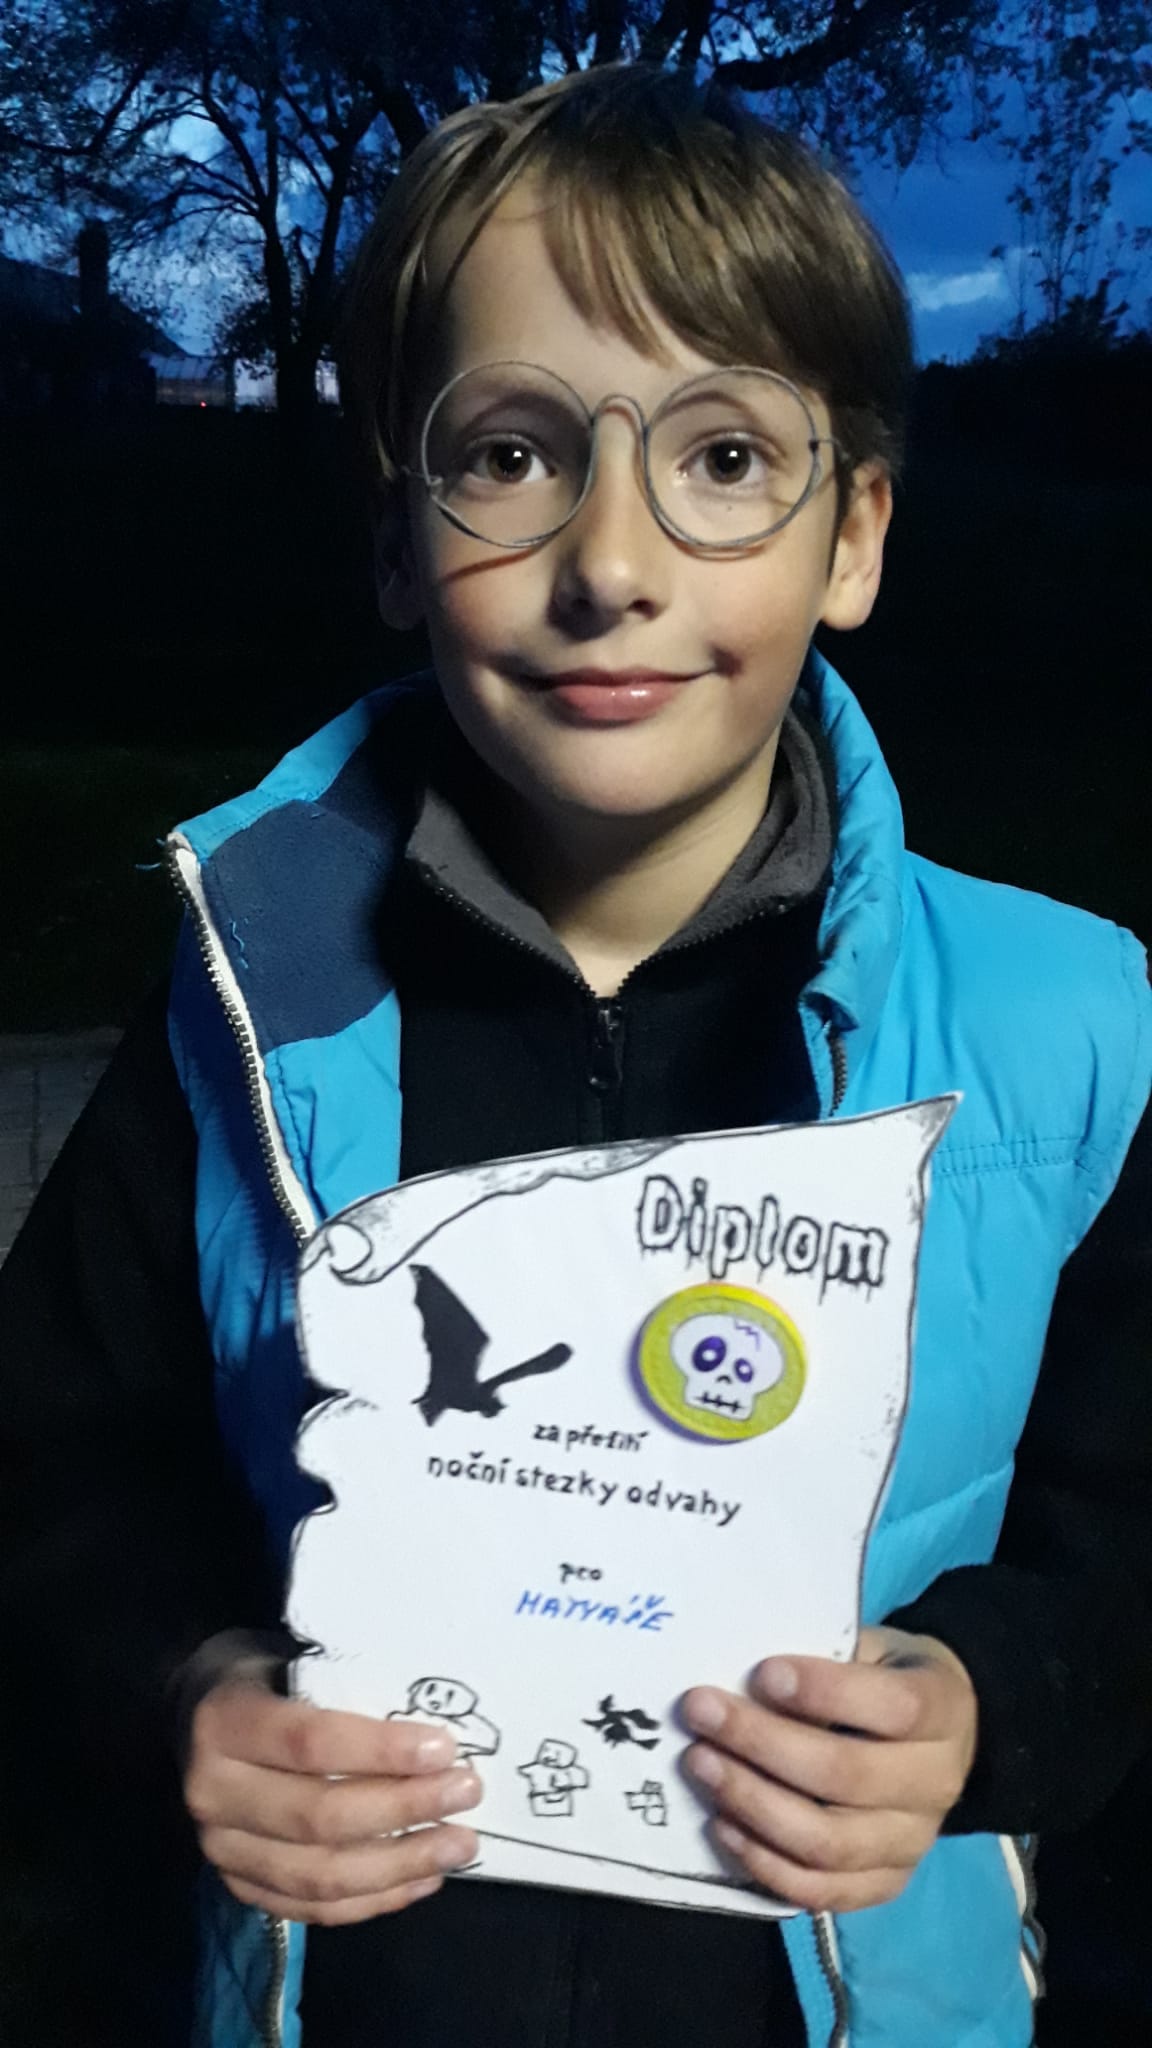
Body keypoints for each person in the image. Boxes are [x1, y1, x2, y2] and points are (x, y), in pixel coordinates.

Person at [1, 63, 1149, 2048]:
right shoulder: (241, 1008)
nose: (611, 561)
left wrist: (994, 1699)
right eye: (516, 453)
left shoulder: (1077, 1029)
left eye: (726, 457)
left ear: (855, 536)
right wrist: (179, 1690)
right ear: (397, 536)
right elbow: (51, 1477)